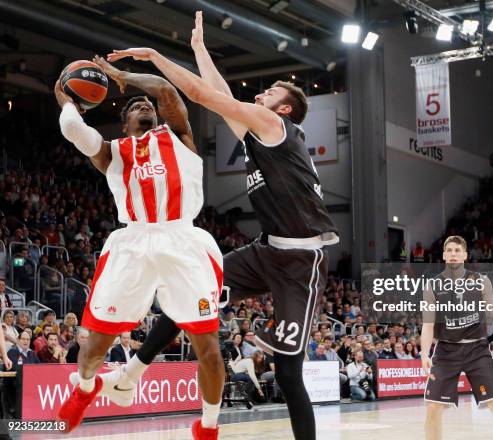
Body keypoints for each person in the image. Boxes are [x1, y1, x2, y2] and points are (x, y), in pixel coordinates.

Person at [98, 11, 339, 440]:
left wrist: (155, 56)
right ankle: (130, 373)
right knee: (193, 292)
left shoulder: (276, 126)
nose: (260, 94)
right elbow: (220, 92)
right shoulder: (258, 131)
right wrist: (199, 50)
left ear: (284, 108)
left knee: (287, 372)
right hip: (266, 250)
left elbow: (202, 96)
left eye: (269, 92)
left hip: (301, 261)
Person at [55, 55, 225, 439]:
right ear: (124, 123)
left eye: (145, 105)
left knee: (209, 348)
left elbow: (165, 90)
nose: (143, 105)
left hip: (184, 241)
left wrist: (121, 76)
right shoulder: (112, 152)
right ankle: (86, 390)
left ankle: (209, 427)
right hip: (132, 242)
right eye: (134, 106)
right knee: (94, 346)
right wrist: (66, 96)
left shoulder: (179, 136)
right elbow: (72, 128)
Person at [421, 236, 493, 440]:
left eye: (457, 250)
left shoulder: (481, 281)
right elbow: (428, 325)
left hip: (477, 350)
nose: (453, 254)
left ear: (465, 255)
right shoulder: (432, 285)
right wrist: (423, 353)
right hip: (446, 352)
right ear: (443, 255)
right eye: (449, 250)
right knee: (432, 408)